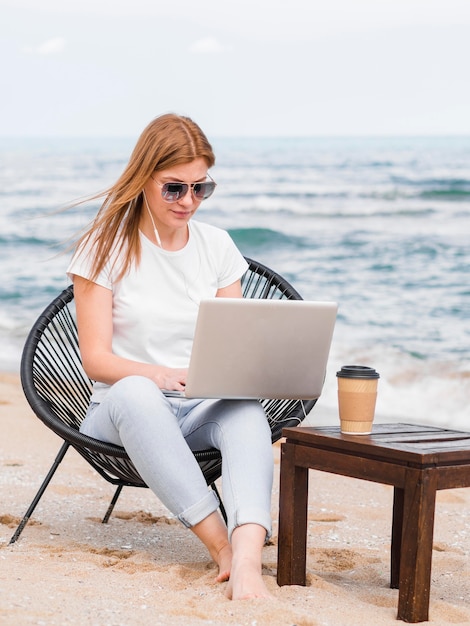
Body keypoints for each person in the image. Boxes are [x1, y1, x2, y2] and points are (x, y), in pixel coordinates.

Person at [66, 113, 274, 600]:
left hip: (195, 404)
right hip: (122, 408)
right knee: (137, 392)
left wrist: (244, 372)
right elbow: (95, 360)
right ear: (144, 179)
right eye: (174, 188)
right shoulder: (105, 247)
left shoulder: (217, 244)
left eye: (202, 189)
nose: (189, 202)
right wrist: (158, 375)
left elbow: (234, 341)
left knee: (244, 411)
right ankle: (221, 547)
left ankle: (247, 562)